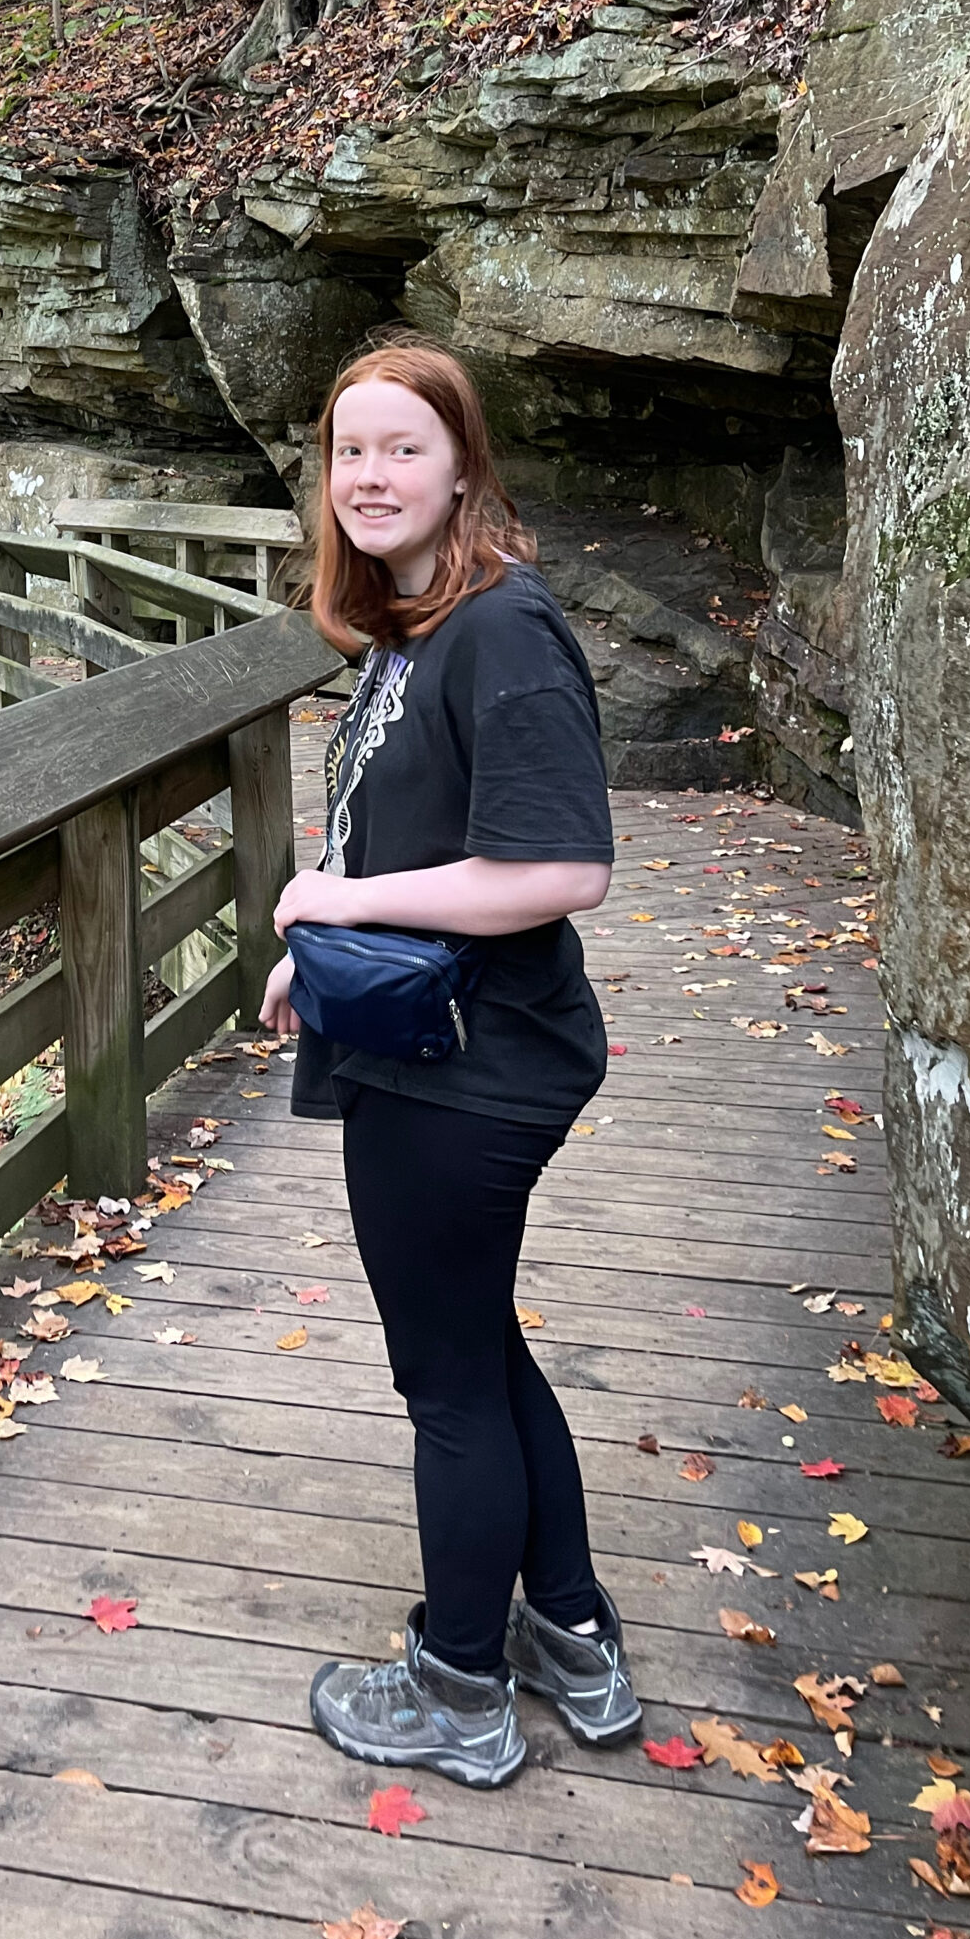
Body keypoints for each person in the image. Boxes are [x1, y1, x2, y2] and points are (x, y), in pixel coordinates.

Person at [260, 334, 640, 1790]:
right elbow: (410, 840)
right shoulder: (414, 629)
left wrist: (339, 903)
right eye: (348, 450)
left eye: (400, 447)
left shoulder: (502, 629)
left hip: (474, 1070)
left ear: (463, 468)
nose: (368, 474)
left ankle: (461, 1685)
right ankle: (575, 1639)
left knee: (450, 1386)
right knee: (483, 1350)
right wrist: (327, 952)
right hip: (428, 1038)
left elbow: (558, 868)